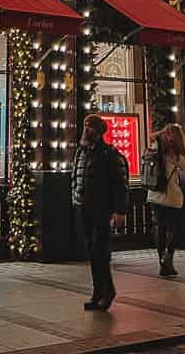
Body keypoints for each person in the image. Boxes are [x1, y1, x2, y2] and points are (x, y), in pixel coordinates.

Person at [71, 114, 128, 312]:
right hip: (84, 208)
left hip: (102, 209)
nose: (87, 129)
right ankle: (98, 293)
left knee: (100, 252)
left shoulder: (109, 154)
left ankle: (107, 291)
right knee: (92, 253)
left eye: (91, 126)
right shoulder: (81, 151)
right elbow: (76, 176)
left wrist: (120, 211)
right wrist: (76, 197)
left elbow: (120, 184)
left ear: (99, 131)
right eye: (85, 125)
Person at [146, 123, 185, 277]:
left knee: (161, 227)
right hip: (171, 196)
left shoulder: (155, 148)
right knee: (176, 227)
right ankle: (168, 257)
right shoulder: (176, 155)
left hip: (154, 194)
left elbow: (151, 138)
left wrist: (161, 134)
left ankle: (163, 262)